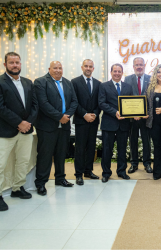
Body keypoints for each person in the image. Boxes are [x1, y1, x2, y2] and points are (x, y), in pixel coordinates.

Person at [0, 52, 38, 211]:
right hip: (6, 131)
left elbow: (35, 106)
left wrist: (28, 122)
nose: (15, 65)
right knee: (0, 164)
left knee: (23, 160)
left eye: (17, 62)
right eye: (11, 63)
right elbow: (1, 107)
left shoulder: (28, 82)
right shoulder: (0, 82)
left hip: (26, 130)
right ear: (5, 65)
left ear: (21, 64)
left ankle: (17, 188)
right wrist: (19, 123)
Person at [34, 61, 78, 195]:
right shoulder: (40, 82)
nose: (58, 70)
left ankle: (60, 178)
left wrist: (67, 115)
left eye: (60, 68)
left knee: (61, 154)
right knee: (45, 155)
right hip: (47, 126)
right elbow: (43, 103)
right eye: (55, 68)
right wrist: (59, 116)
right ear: (49, 69)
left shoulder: (67, 82)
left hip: (64, 125)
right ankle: (41, 183)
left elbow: (74, 101)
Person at [98, 63, 133, 183]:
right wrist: (115, 112)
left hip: (124, 124)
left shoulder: (128, 87)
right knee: (107, 149)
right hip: (109, 123)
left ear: (122, 73)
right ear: (111, 72)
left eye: (119, 71)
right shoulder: (104, 86)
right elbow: (101, 103)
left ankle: (122, 171)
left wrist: (133, 113)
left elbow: (131, 103)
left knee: (122, 149)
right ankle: (106, 173)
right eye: (115, 71)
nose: (117, 73)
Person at [71, 59, 101, 186]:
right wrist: (84, 114)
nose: (88, 68)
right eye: (86, 66)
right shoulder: (74, 82)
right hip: (81, 120)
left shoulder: (98, 83)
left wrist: (94, 114)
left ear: (93, 68)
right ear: (82, 67)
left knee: (91, 147)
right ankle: (79, 174)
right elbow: (74, 101)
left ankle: (88, 171)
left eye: (90, 66)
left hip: (93, 120)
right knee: (80, 148)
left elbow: (100, 101)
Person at [124, 57, 152, 174]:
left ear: (144, 65)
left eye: (141, 64)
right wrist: (133, 114)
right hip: (132, 118)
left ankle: (147, 164)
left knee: (146, 141)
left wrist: (147, 113)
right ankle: (134, 163)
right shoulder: (127, 79)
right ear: (133, 66)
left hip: (146, 117)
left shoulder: (151, 79)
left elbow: (151, 99)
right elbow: (126, 98)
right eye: (137, 65)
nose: (139, 67)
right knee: (133, 140)